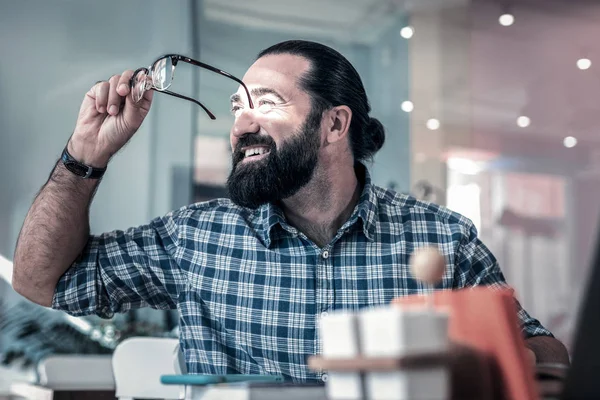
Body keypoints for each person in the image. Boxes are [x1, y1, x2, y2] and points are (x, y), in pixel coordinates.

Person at [12, 40, 568, 381]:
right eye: (237, 106)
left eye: (267, 104)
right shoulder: (193, 237)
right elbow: (41, 283)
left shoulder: (441, 238)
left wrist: (468, 353)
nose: (240, 123)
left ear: (334, 124)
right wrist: (85, 155)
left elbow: (548, 353)